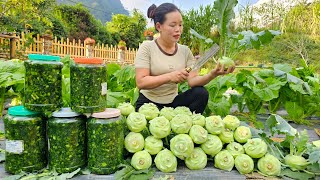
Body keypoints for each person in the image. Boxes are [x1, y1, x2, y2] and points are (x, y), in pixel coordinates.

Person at [134, 3, 235, 114]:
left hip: (173, 103)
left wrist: (213, 74)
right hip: (148, 103)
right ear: (159, 27)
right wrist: (170, 77)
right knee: (155, 128)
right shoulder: (147, 47)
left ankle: (189, 123)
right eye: (173, 25)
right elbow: (141, 82)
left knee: (201, 93)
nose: (178, 30)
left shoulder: (185, 51)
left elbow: (193, 81)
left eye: (180, 25)